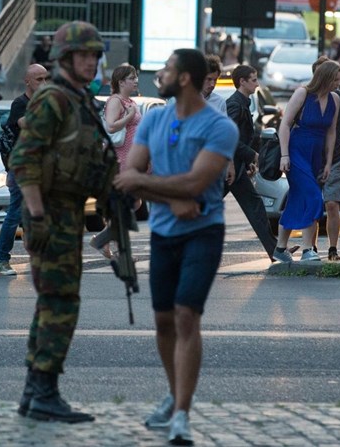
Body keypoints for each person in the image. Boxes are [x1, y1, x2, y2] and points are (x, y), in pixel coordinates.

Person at [113, 48, 237, 445]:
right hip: (164, 232)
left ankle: (182, 413)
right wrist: (172, 196)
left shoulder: (220, 126)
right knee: (164, 320)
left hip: (205, 231)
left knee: (186, 315)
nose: (159, 75)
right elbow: (129, 173)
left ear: (183, 78)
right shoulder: (154, 118)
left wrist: (161, 189)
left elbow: (196, 186)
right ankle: (174, 392)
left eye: (167, 69)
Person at [10, 21, 117, 423]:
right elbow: (24, 161)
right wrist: (37, 216)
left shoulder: (79, 99)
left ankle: (35, 392)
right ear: (65, 58)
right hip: (51, 213)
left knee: (52, 302)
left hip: (69, 212)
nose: (91, 61)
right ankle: (45, 393)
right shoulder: (53, 98)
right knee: (60, 304)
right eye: (83, 55)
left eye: (95, 55)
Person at [273, 60, 340, 262]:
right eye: (335, 80)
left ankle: (279, 248)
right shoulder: (302, 93)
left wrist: (329, 162)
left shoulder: (335, 99)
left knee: (296, 199)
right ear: (326, 78)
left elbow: (331, 131)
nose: (338, 83)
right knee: (313, 196)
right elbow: (284, 125)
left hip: (316, 154)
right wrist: (285, 155)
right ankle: (307, 250)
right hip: (297, 150)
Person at [0, 63, 49, 276]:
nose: (44, 83)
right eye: (39, 79)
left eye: (46, 78)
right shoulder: (21, 103)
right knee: (15, 213)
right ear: (28, 81)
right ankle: (2, 259)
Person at [225, 65, 278, 261]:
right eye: (254, 79)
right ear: (242, 81)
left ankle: (275, 251)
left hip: (237, 168)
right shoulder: (235, 104)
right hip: (228, 168)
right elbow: (229, 137)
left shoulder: (243, 103)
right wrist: (252, 156)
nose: (257, 83)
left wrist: (248, 162)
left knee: (255, 206)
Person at [89, 63, 142, 259]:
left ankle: (103, 240)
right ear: (121, 82)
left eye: (136, 77)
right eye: (132, 77)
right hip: (120, 160)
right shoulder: (116, 101)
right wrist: (128, 117)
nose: (136, 80)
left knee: (134, 202)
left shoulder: (129, 101)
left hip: (132, 159)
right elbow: (111, 127)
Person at [310, 56, 340, 261]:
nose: (336, 83)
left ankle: (332, 248)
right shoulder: (307, 96)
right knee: (311, 203)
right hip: (311, 157)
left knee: (332, 203)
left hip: (335, 156)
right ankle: (309, 248)